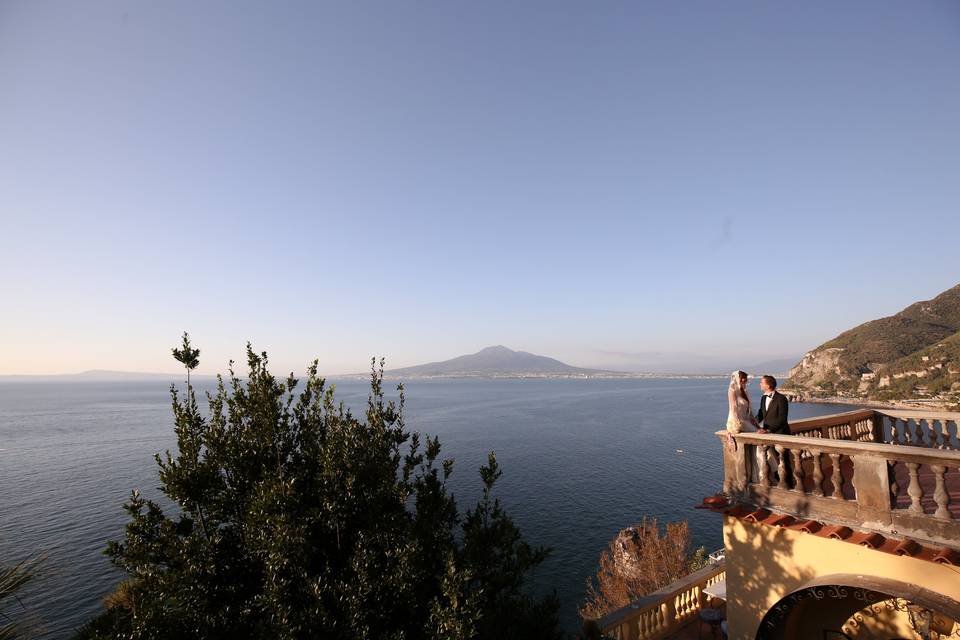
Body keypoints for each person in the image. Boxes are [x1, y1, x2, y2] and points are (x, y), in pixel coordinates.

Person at [725, 370, 759, 448]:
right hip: (737, 421)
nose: (745, 380)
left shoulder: (745, 391)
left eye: (745, 378)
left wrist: (755, 424)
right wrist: (736, 423)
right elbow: (733, 407)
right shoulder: (732, 391)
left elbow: (749, 409)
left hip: (746, 420)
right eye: (743, 378)